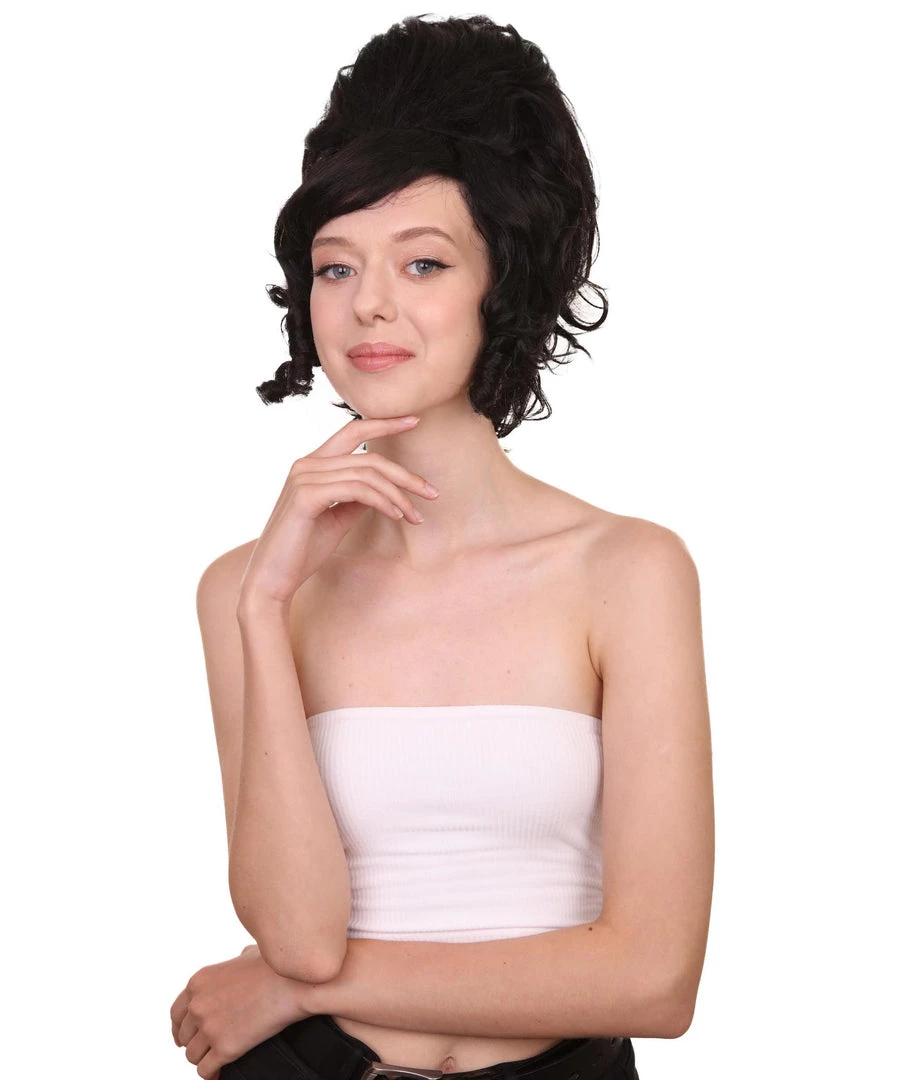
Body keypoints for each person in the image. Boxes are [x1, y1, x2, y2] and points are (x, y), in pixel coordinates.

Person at [169, 13, 714, 1080]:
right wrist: (263, 608)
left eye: (422, 263)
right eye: (336, 268)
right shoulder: (247, 587)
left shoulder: (627, 572)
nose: (369, 303)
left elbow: (654, 981)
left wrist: (292, 989)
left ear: (499, 284)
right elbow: (300, 934)